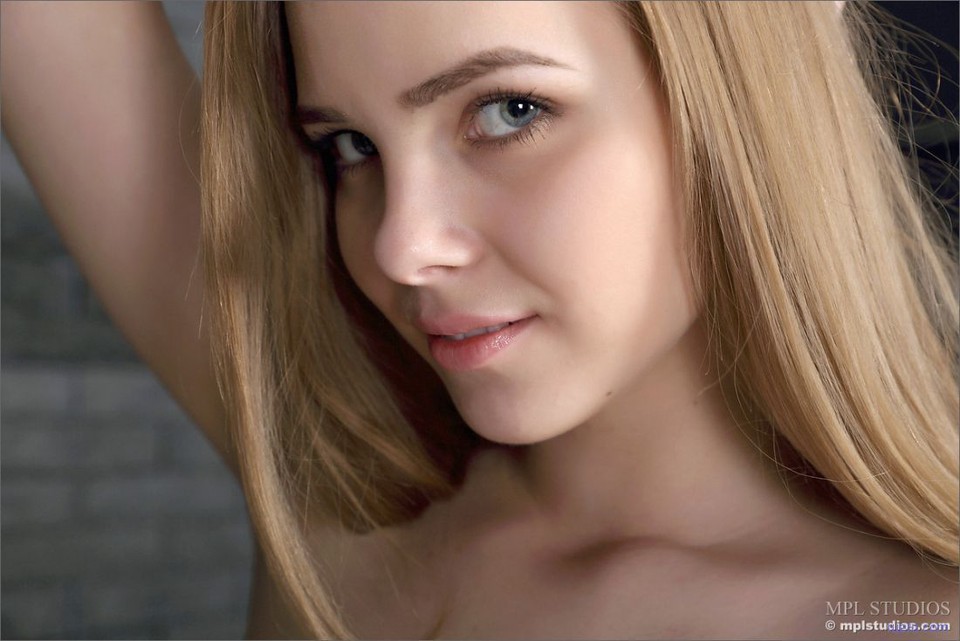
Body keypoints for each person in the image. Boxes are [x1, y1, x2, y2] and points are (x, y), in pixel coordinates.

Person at [2, 2, 957, 638]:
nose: (400, 246)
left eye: (507, 111)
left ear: (745, 83)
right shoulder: (334, 488)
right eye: (350, 145)